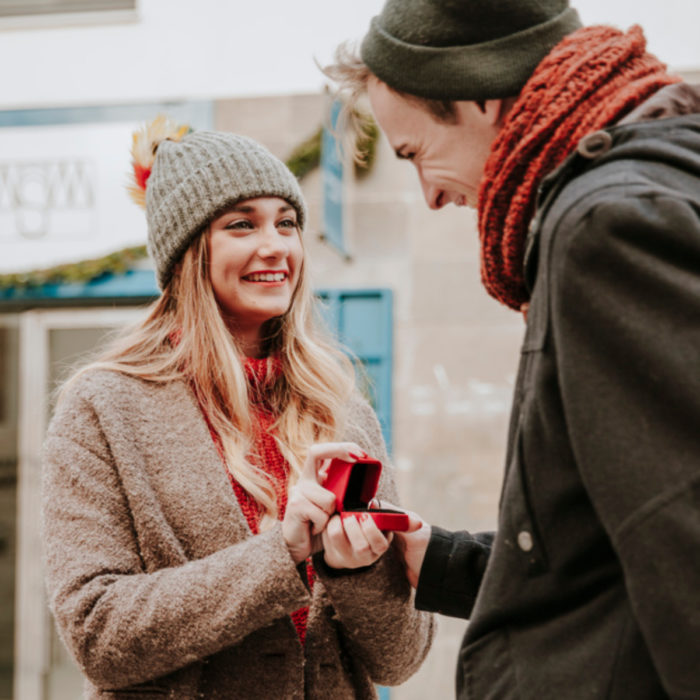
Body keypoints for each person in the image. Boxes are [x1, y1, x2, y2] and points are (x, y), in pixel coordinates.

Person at [325, 1, 700, 697]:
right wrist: (437, 559)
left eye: (415, 154)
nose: (430, 196)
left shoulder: (605, 228)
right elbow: (605, 549)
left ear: (481, 93)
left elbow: (682, 533)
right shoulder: (656, 183)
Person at [41, 117, 434, 699]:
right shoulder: (104, 406)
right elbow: (98, 635)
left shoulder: (339, 407)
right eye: (241, 225)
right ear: (189, 251)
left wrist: (355, 572)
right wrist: (283, 553)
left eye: (287, 223)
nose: (274, 245)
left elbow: (399, 661)